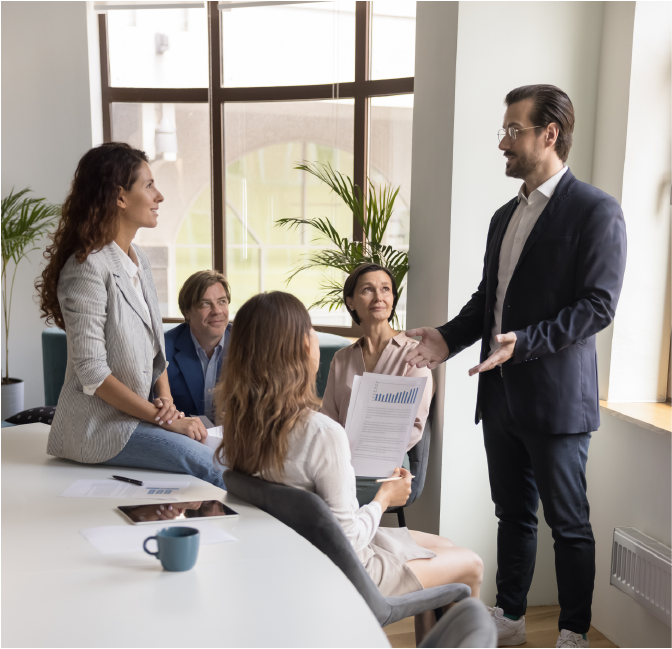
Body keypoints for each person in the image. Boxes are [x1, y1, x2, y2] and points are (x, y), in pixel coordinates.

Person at [405, 85, 627, 648]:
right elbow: (489, 301)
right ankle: (510, 615)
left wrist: (524, 342)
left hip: (556, 401)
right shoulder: (505, 215)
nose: (503, 142)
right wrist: (446, 339)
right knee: (514, 517)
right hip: (499, 395)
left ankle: (574, 630)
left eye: (513, 130)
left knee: (569, 524)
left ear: (548, 134)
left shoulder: (596, 210)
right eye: (505, 130)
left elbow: (597, 306)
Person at [213, 291, 483, 643]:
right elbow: (350, 538)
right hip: (350, 566)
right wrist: (384, 498)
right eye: (308, 330)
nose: (314, 339)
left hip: (300, 557)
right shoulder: (321, 433)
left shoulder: (239, 423)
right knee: (471, 565)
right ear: (295, 349)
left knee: (444, 544)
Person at [36, 142, 224, 489]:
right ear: (119, 197)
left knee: (223, 456)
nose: (160, 196)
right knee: (211, 468)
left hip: (139, 419)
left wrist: (167, 403)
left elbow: (156, 348)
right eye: (149, 185)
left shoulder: (140, 260)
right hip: (99, 429)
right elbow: (92, 373)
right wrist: (165, 421)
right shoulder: (86, 268)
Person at [320, 263, 433, 505]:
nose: (379, 297)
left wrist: (364, 452)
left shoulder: (415, 355)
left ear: (393, 297)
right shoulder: (342, 359)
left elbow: (414, 427)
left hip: (387, 468)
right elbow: (328, 419)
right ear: (350, 301)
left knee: (320, 500)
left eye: (385, 289)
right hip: (340, 462)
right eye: (367, 290)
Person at [165, 270, 232, 420]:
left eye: (222, 301)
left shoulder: (246, 345)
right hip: (182, 440)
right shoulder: (163, 349)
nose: (217, 311)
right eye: (205, 304)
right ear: (187, 312)